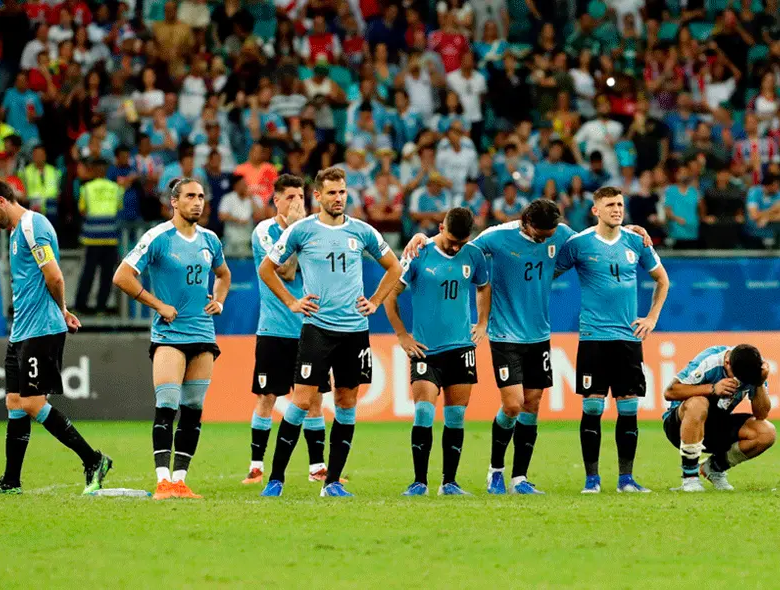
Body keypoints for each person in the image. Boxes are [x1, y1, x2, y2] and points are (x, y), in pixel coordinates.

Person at [467, 198, 652, 494]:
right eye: (541, 234)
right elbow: (463, 251)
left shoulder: (562, 233)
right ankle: (495, 471)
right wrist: (424, 238)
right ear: (527, 223)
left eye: (550, 233)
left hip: (539, 335)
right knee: (513, 404)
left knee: (533, 404)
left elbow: (592, 240)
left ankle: (519, 478)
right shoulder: (497, 236)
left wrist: (626, 228)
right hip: (505, 335)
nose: (546, 239)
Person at [258, 167, 403, 497]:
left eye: (343, 192)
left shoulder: (363, 231)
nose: (339, 198)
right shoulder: (302, 231)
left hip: (355, 331)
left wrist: (377, 300)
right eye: (332, 193)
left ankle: (332, 482)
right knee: (302, 400)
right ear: (318, 196)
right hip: (318, 329)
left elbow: (394, 266)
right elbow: (267, 268)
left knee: (346, 401)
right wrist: (292, 301)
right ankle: (276, 478)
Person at [0, 178, 112, 496]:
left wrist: (61, 310)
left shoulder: (34, 226)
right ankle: (10, 481)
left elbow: (55, 275)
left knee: (33, 402)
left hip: (42, 330)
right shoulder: (16, 234)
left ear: (2, 202)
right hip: (21, 331)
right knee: (14, 403)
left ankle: (94, 459)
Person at [112, 178, 232, 500]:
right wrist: (158, 304)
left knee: (192, 409)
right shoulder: (157, 238)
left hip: (203, 334)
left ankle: (179, 481)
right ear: (174, 202)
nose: (198, 202)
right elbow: (122, 276)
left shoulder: (210, 240)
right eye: (190, 196)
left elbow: (223, 275)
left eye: (202, 196)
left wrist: (218, 301)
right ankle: (162, 481)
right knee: (167, 404)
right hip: (169, 335)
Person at [554, 187, 670, 494]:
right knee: (592, 408)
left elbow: (663, 280)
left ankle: (626, 479)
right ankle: (592, 480)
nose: (617, 209)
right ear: (596, 210)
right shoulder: (578, 244)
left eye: (620, 204)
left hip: (627, 338)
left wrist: (652, 318)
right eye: (610, 205)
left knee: (629, 408)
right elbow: (547, 274)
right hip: (594, 337)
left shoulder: (637, 241)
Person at [384, 207, 491, 496]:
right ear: (441, 227)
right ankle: (419, 481)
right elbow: (390, 295)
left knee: (456, 417)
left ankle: (449, 483)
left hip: (460, 347)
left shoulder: (474, 255)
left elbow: (483, 287)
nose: (456, 247)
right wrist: (403, 335)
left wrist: (482, 322)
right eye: (452, 240)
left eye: (462, 242)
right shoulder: (418, 253)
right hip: (425, 350)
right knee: (423, 412)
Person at [244, 175, 333, 493]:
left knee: (314, 399)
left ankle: (317, 468)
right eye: (291, 196)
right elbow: (286, 269)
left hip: (310, 328)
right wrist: (294, 230)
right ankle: (256, 467)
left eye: (301, 196)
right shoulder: (264, 232)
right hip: (274, 328)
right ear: (276, 200)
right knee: (267, 396)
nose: (298, 202)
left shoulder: (314, 230)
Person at [662, 343, 776, 492]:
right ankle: (690, 478)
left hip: (715, 426)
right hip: (680, 425)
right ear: (727, 362)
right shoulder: (710, 361)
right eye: (734, 376)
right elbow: (670, 392)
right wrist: (712, 389)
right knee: (698, 403)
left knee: (766, 432)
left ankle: (714, 468)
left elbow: (761, 414)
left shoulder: (754, 368)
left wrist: (759, 382)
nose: (738, 381)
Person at [74, 158, 122, 313]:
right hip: (110, 237)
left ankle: (81, 306)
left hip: (92, 238)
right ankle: (102, 307)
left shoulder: (86, 188)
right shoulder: (116, 188)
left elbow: (82, 210)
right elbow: (118, 207)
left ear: (94, 171)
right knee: (107, 275)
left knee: (88, 273)